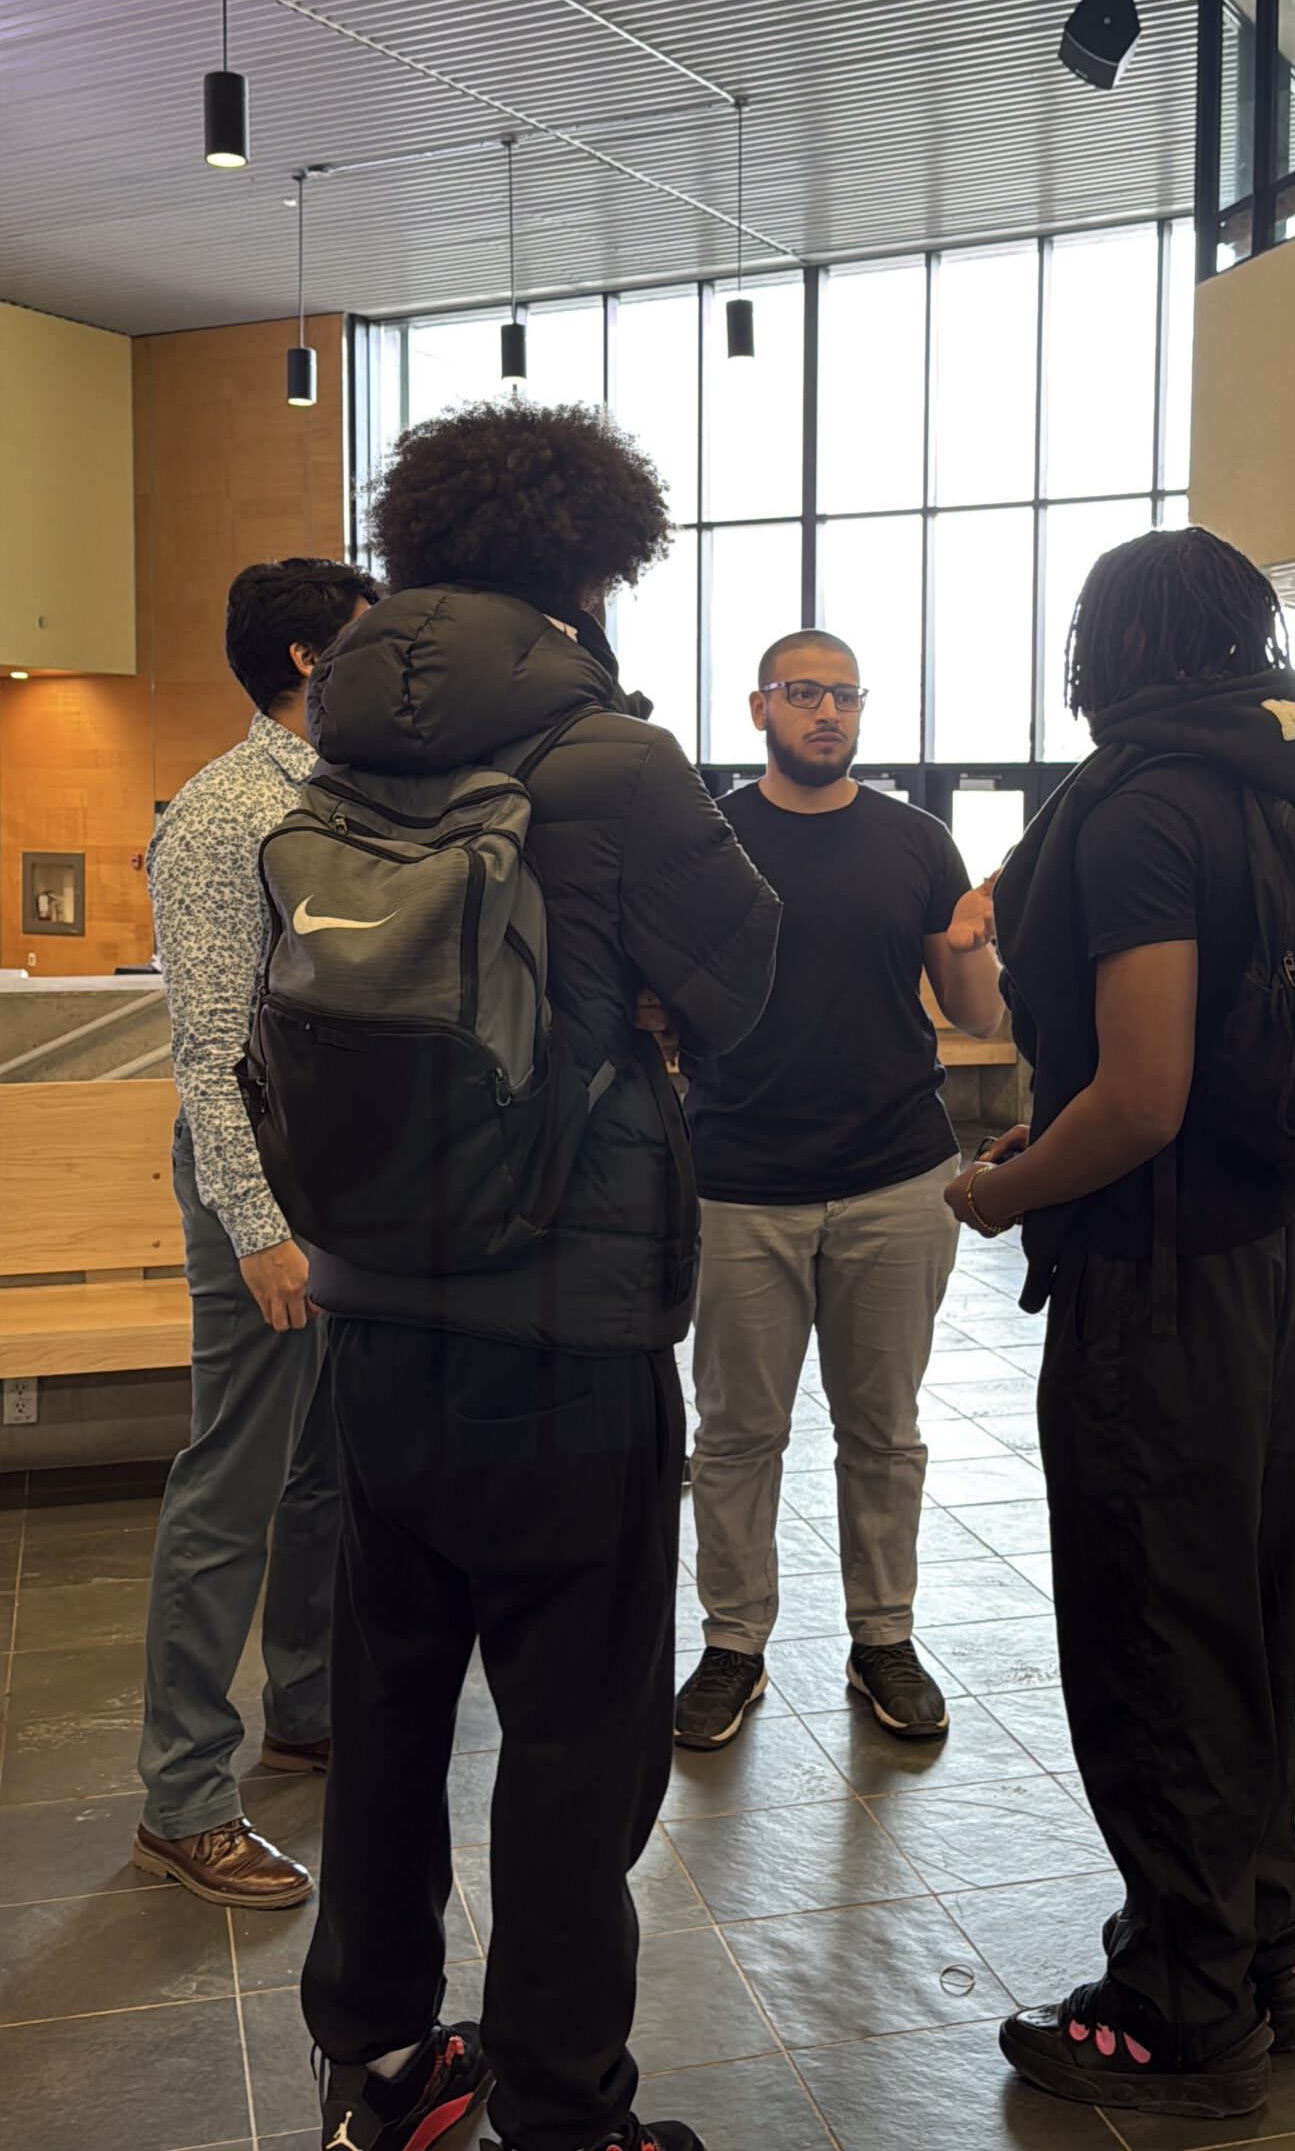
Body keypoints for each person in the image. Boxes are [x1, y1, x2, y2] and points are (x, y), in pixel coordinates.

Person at [296, 398, 780, 2151]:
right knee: (576, 1753)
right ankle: (563, 2110)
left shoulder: (330, 743)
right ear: (591, 561)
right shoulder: (613, 757)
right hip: (566, 1332)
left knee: (386, 1712)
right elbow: (745, 992)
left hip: (373, 1325)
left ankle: (377, 2075)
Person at [948, 527, 1295, 2124]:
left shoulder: (1143, 807)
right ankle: (1256, 1957)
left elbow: (1142, 1093)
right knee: (1241, 1618)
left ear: (1110, 649)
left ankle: (1179, 2010)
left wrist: (1008, 1189)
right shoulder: (1274, 787)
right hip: (1257, 1267)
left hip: (1154, 1289)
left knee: (1154, 1634)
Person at [675, 631, 1005, 1751]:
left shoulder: (916, 840)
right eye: (805, 694)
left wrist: (969, 941)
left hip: (893, 1178)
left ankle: (884, 1638)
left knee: (883, 1430)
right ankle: (732, 1644)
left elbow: (976, 1018)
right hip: (738, 1183)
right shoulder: (709, 838)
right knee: (734, 1433)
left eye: (845, 696)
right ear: (760, 703)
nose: (828, 713)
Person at [134, 555, 379, 1908]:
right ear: (303, 660)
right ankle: (181, 1796)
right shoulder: (228, 815)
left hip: (351, 1186)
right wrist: (258, 1225)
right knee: (232, 1488)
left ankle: (308, 1708)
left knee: (327, 1471)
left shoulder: (355, 804)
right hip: (266, 1191)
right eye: (370, 635)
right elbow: (210, 1052)